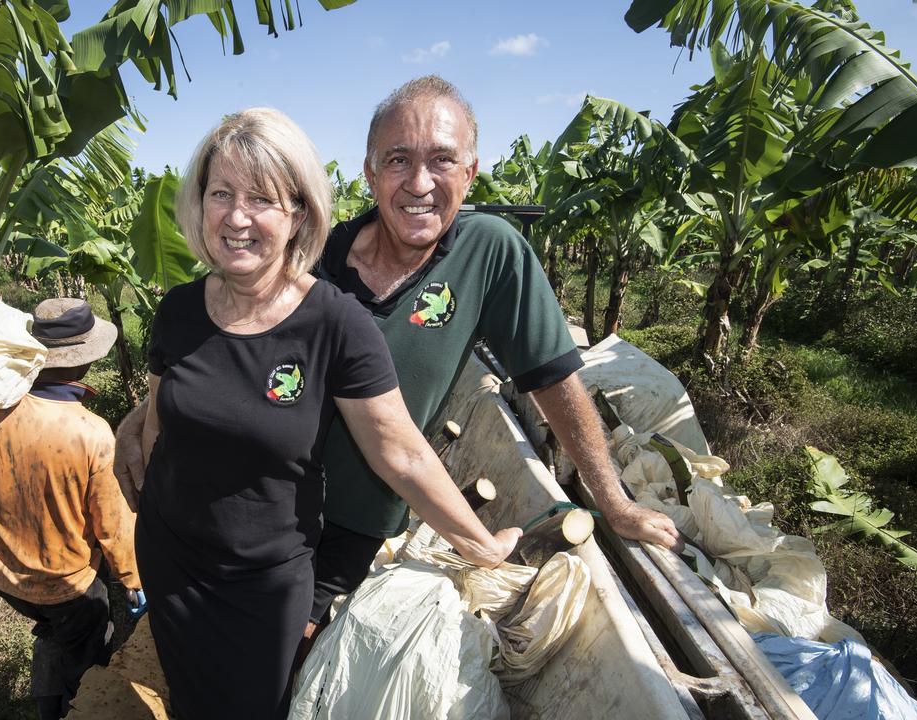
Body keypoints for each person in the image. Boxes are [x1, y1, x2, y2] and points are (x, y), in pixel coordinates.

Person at [118, 77, 680, 652]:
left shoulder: (490, 253)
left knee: (296, 663)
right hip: (265, 513)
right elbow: (224, 351)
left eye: (442, 160)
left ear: (471, 170)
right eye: (398, 160)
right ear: (369, 170)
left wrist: (612, 501)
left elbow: (553, 380)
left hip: (359, 522)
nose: (419, 183)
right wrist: (144, 412)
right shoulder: (314, 264)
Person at [134, 107, 521, 720]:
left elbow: (401, 454)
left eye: (261, 198)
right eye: (221, 194)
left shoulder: (335, 322)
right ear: (199, 204)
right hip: (170, 558)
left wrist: (482, 546)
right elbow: (158, 426)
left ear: (298, 215)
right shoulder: (179, 309)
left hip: (261, 584)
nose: (237, 217)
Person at [0, 298, 142, 720]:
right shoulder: (91, 432)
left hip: (8, 579)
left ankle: (46, 702)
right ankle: (70, 707)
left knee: (54, 633)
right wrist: (131, 578)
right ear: (84, 364)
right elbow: (113, 524)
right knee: (86, 655)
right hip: (68, 584)